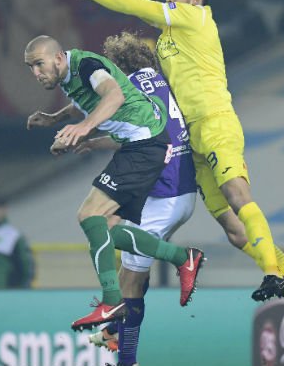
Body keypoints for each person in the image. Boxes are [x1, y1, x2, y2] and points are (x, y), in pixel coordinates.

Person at [51, 0, 284, 344]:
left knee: (237, 194)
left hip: (216, 123)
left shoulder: (196, 19)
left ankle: (271, 272)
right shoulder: (169, 42)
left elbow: (134, 3)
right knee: (235, 232)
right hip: (196, 143)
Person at [24, 35, 204, 335]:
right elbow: (83, 100)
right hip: (143, 146)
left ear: (57, 58)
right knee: (102, 227)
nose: (35, 73)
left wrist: (83, 128)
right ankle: (181, 258)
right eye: (30, 67)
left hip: (145, 146)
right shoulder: (70, 74)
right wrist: (55, 118)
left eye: (39, 64)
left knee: (89, 215)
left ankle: (112, 302)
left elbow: (113, 96)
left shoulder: (87, 65)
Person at [81, 32, 197, 365]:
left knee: (126, 275)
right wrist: (95, 142)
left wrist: (87, 132)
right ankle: (116, 333)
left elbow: (135, 135)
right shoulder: (160, 82)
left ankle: (125, 357)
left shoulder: (127, 90)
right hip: (180, 187)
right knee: (129, 269)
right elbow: (145, 134)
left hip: (164, 194)